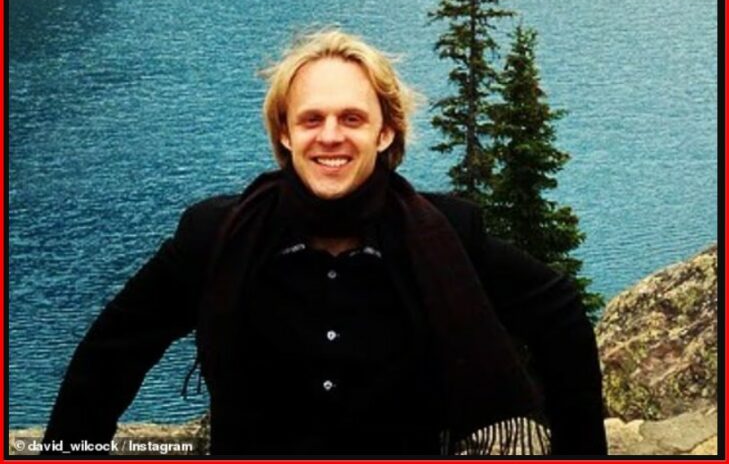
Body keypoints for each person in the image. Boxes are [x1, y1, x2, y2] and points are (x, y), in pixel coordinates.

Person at [44, 29, 608, 456]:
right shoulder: (216, 236)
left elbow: (558, 315)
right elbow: (111, 354)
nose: (330, 136)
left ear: (385, 132)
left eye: (352, 119)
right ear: (285, 133)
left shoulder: (447, 234)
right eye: (311, 119)